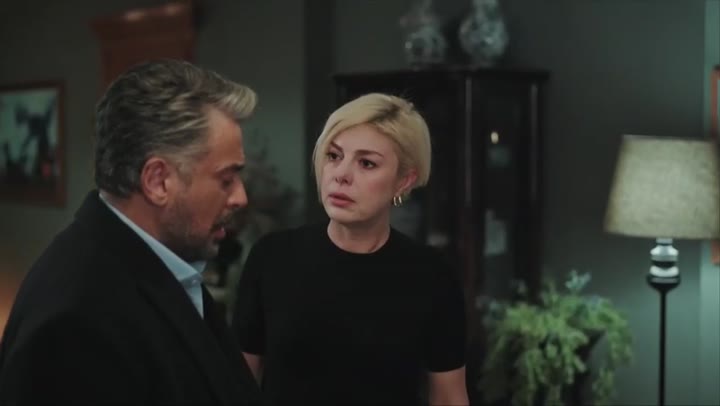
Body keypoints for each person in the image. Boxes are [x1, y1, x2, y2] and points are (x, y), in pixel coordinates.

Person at [0, 59, 264, 405]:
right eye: (226, 179)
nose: (240, 197)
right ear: (158, 181)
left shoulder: (167, 269)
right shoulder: (77, 323)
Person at [232, 93, 469, 405]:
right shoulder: (273, 258)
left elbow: (449, 399)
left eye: (367, 163)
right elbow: (236, 387)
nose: (341, 175)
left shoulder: (431, 276)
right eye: (334, 156)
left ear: (404, 181)